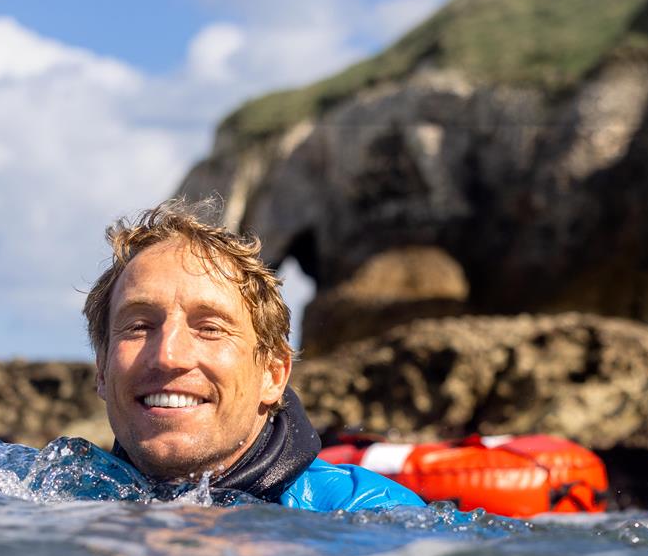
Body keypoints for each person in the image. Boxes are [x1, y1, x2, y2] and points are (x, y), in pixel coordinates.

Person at [77, 198, 425, 511]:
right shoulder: (60, 497)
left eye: (210, 328)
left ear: (273, 375)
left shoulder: (366, 516)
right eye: (139, 325)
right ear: (102, 372)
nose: (168, 356)